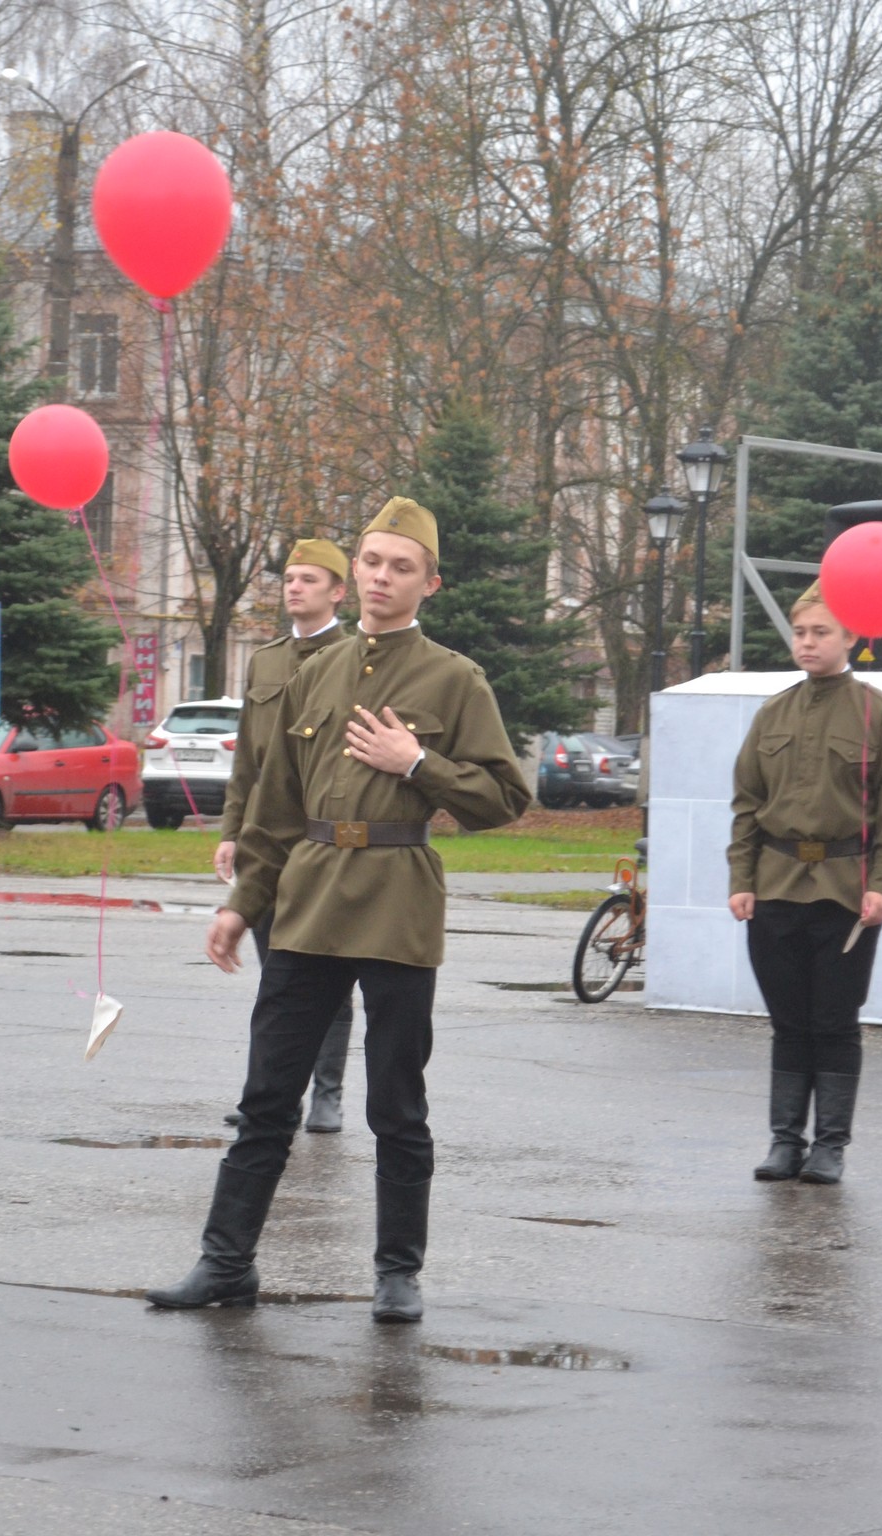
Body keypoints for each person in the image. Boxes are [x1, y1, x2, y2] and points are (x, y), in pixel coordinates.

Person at [148, 497, 530, 1322]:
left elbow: (506, 796)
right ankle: (226, 1264)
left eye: (401, 567)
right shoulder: (313, 673)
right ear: (354, 571)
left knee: (395, 1103)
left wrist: (418, 761)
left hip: (397, 900)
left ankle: (397, 1273)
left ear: (430, 583)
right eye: (372, 562)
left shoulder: (454, 679)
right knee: (266, 1096)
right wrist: (243, 903)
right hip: (309, 898)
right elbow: (275, 807)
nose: (382, 578)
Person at [727, 581, 882, 1186]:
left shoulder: (879, 714)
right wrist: (741, 879)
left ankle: (830, 1146)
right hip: (776, 886)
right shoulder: (773, 713)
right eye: (800, 632)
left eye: (820, 632)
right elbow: (747, 805)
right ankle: (785, 1142)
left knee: (833, 1022)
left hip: (845, 890)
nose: (807, 643)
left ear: (850, 638)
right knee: (788, 1022)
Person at [215, 538, 357, 1134]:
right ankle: (273, 1096)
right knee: (277, 977)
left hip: (326, 840)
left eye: (308, 579)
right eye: (289, 578)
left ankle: (328, 1093)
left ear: (337, 592)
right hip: (268, 840)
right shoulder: (266, 661)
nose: (294, 588)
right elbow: (249, 760)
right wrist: (232, 831)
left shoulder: (355, 659)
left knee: (329, 973)